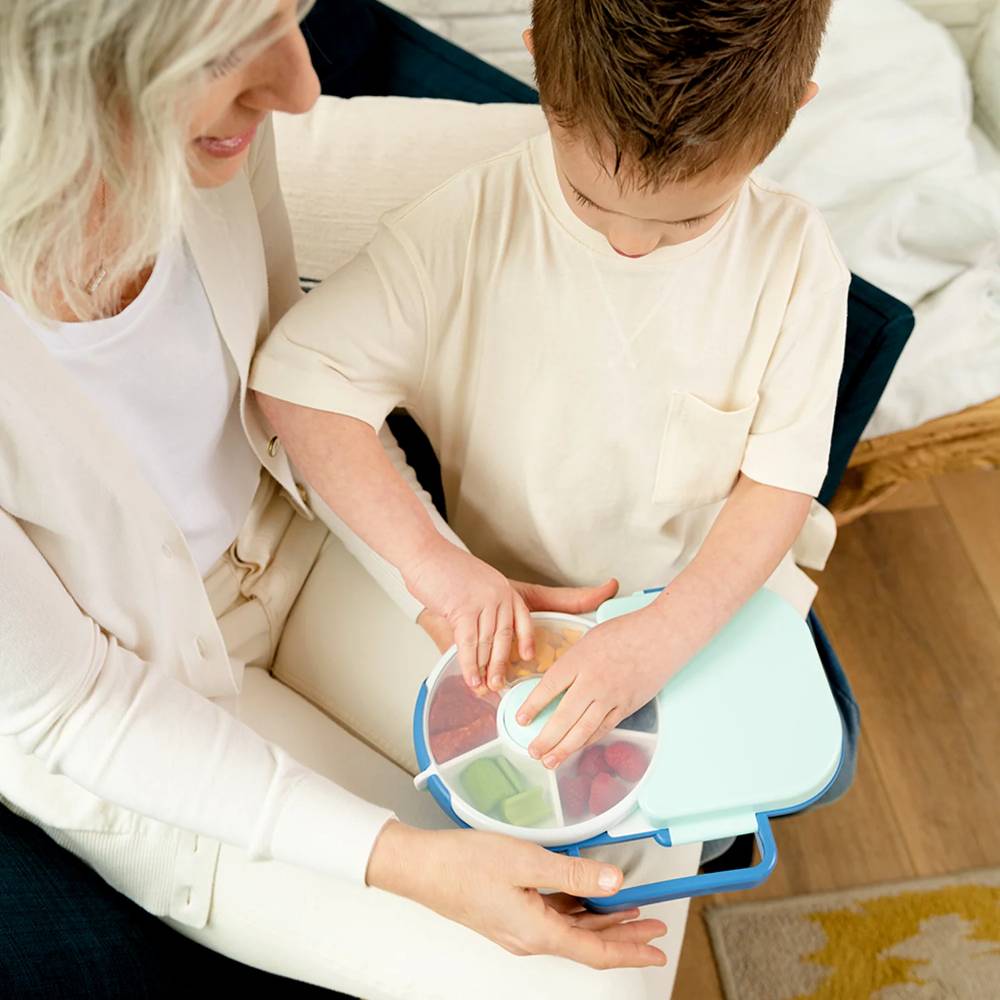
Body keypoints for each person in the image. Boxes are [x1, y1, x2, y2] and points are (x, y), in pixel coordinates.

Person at [0, 1, 703, 997]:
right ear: (49, 77)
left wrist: (437, 572)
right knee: (585, 984)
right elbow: (78, 709)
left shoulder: (208, 151)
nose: (298, 86)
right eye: (227, 48)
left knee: (643, 800)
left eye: (292, 16)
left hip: (299, 548)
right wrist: (412, 865)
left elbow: (294, 391)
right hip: (144, 705)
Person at [251, 0, 849, 773]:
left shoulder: (797, 262)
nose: (630, 244)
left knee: (803, 769)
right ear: (538, 63)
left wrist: (665, 636)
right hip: (520, 625)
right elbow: (300, 384)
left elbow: (777, 489)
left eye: (688, 220)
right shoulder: (463, 224)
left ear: (797, 105)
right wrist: (436, 569)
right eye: (591, 200)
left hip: (709, 605)